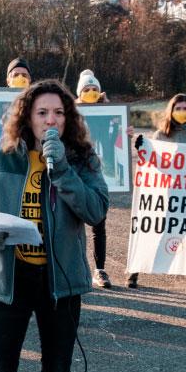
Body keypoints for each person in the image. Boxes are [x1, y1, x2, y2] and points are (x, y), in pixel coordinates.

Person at [0, 80, 109, 372]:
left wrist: (61, 167)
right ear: (27, 117)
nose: (51, 120)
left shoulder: (82, 160)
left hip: (59, 283)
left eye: (59, 113)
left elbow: (95, 211)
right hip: (10, 281)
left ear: (69, 119)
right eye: (42, 112)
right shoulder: (2, 160)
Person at [124, 94, 186, 291]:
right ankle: (135, 270)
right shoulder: (161, 135)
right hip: (167, 194)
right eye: (179, 109)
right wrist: (141, 145)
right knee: (154, 232)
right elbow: (152, 159)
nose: (182, 113)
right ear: (171, 111)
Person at [74, 69, 115, 288]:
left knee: (99, 223)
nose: (90, 93)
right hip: (75, 174)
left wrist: (119, 125)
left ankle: (100, 270)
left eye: (94, 89)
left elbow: (111, 145)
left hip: (97, 175)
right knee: (70, 224)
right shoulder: (70, 113)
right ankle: (73, 269)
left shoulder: (107, 115)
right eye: (86, 89)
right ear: (79, 93)